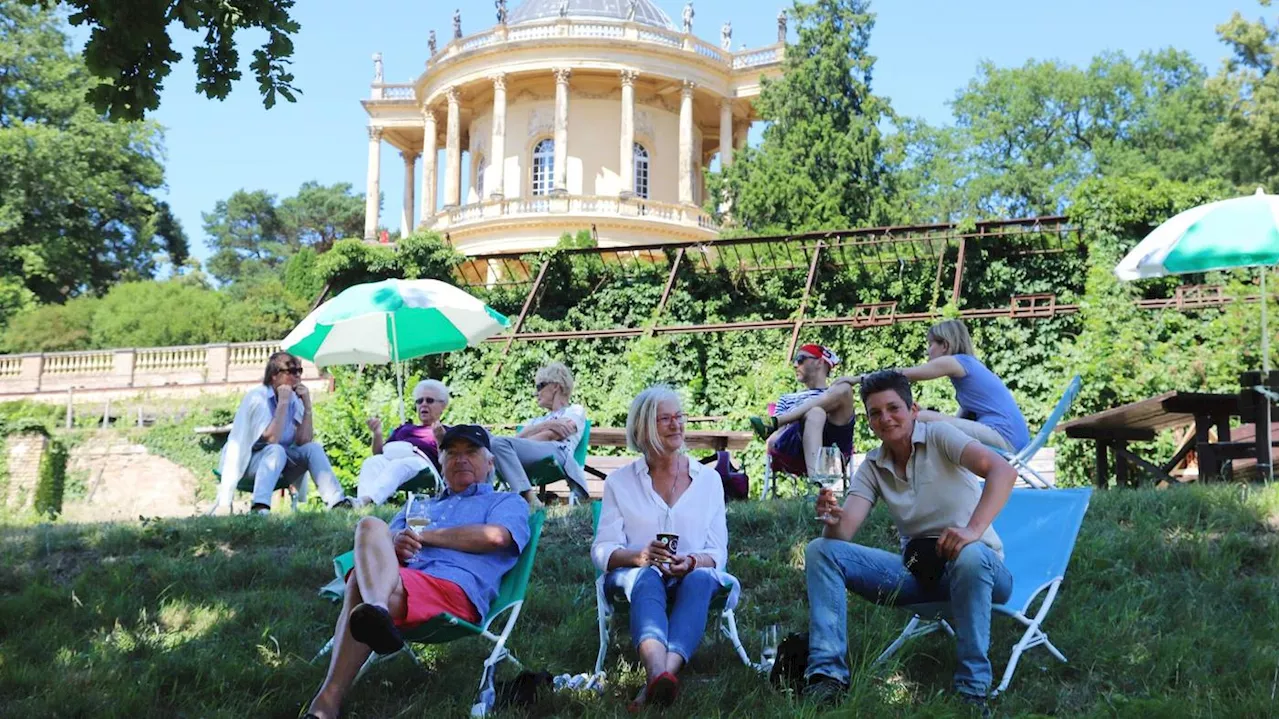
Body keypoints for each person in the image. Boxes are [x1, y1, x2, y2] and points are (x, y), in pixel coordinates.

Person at [803, 370, 1016, 714]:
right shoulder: (872, 466)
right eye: (875, 413)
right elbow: (843, 535)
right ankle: (828, 677)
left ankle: (973, 690)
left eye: (893, 408)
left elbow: (1003, 471)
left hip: (982, 572)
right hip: (920, 573)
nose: (885, 418)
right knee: (820, 550)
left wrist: (972, 531)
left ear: (913, 409)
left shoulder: (941, 436)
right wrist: (831, 521)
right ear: (869, 422)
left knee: (970, 556)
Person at [303, 425, 530, 719]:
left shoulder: (505, 501)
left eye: (471, 452)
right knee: (370, 525)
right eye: (452, 453)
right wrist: (395, 543)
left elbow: (497, 537)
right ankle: (377, 613)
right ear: (441, 463)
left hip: (452, 590)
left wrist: (427, 536)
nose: (461, 459)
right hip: (398, 585)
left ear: (490, 463)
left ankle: (327, 701)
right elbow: (378, 546)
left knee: (360, 581)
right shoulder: (418, 505)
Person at [591, 385, 731, 711]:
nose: (676, 425)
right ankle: (658, 672)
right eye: (664, 419)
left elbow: (719, 552)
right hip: (634, 577)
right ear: (642, 429)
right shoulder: (619, 482)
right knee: (647, 576)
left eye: (679, 417)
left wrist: (693, 560)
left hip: (690, 576)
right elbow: (601, 550)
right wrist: (637, 556)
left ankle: (658, 680)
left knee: (700, 577)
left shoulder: (708, 481)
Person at [837, 320, 1031, 453]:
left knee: (918, 416)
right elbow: (958, 422)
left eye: (930, 344)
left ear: (944, 345)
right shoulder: (970, 369)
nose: (928, 350)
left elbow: (901, 375)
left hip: (1005, 437)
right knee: (922, 417)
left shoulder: (955, 362)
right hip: (1012, 437)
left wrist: (855, 379)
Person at [216, 351, 350, 514]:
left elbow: (304, 440)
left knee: (313, 449)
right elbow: (272, 439)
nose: (298, 376)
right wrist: (283, 403)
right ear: (274, 375)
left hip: (279, 462)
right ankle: (260, 507)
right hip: (247, 463)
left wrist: (307, 406)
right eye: (292, 372)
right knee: (275, 450)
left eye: (300, 371)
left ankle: (336, 503)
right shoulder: (258, 398)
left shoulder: (295, 399)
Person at [487, 362, 590, 508]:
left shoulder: (575, 410)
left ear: (555, 386)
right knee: (483, 440)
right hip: (533, 455)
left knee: (498, 443)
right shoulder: (538, 420)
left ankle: (529, 498)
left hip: (558, 452)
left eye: (540, 386)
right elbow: (519, 439)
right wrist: (547, 424)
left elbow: (550, 436)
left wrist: (522, 441)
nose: (537, 393)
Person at [750, 344, 857, 478]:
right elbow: (774, 439)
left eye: (800, 359)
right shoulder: (787, 398)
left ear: (820, 362)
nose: (795, 365)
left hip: (835, 449)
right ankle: (816, 483)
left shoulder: (837, 392)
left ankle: (777, 421)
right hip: (795, 449)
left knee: (845, 389)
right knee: (816, 413)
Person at [353, 380, 450, 508]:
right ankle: (360, 505)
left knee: (399, 464)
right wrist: (377, 433)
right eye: (419, 401)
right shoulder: (405, 429)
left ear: (443, 405)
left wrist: (440, 439)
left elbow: (447, 461)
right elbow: (379, 453)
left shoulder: (446, 431)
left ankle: (368, 501)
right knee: (372, 462)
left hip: (422, 464)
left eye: (429, 400)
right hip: (395, 457)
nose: (423, 404)